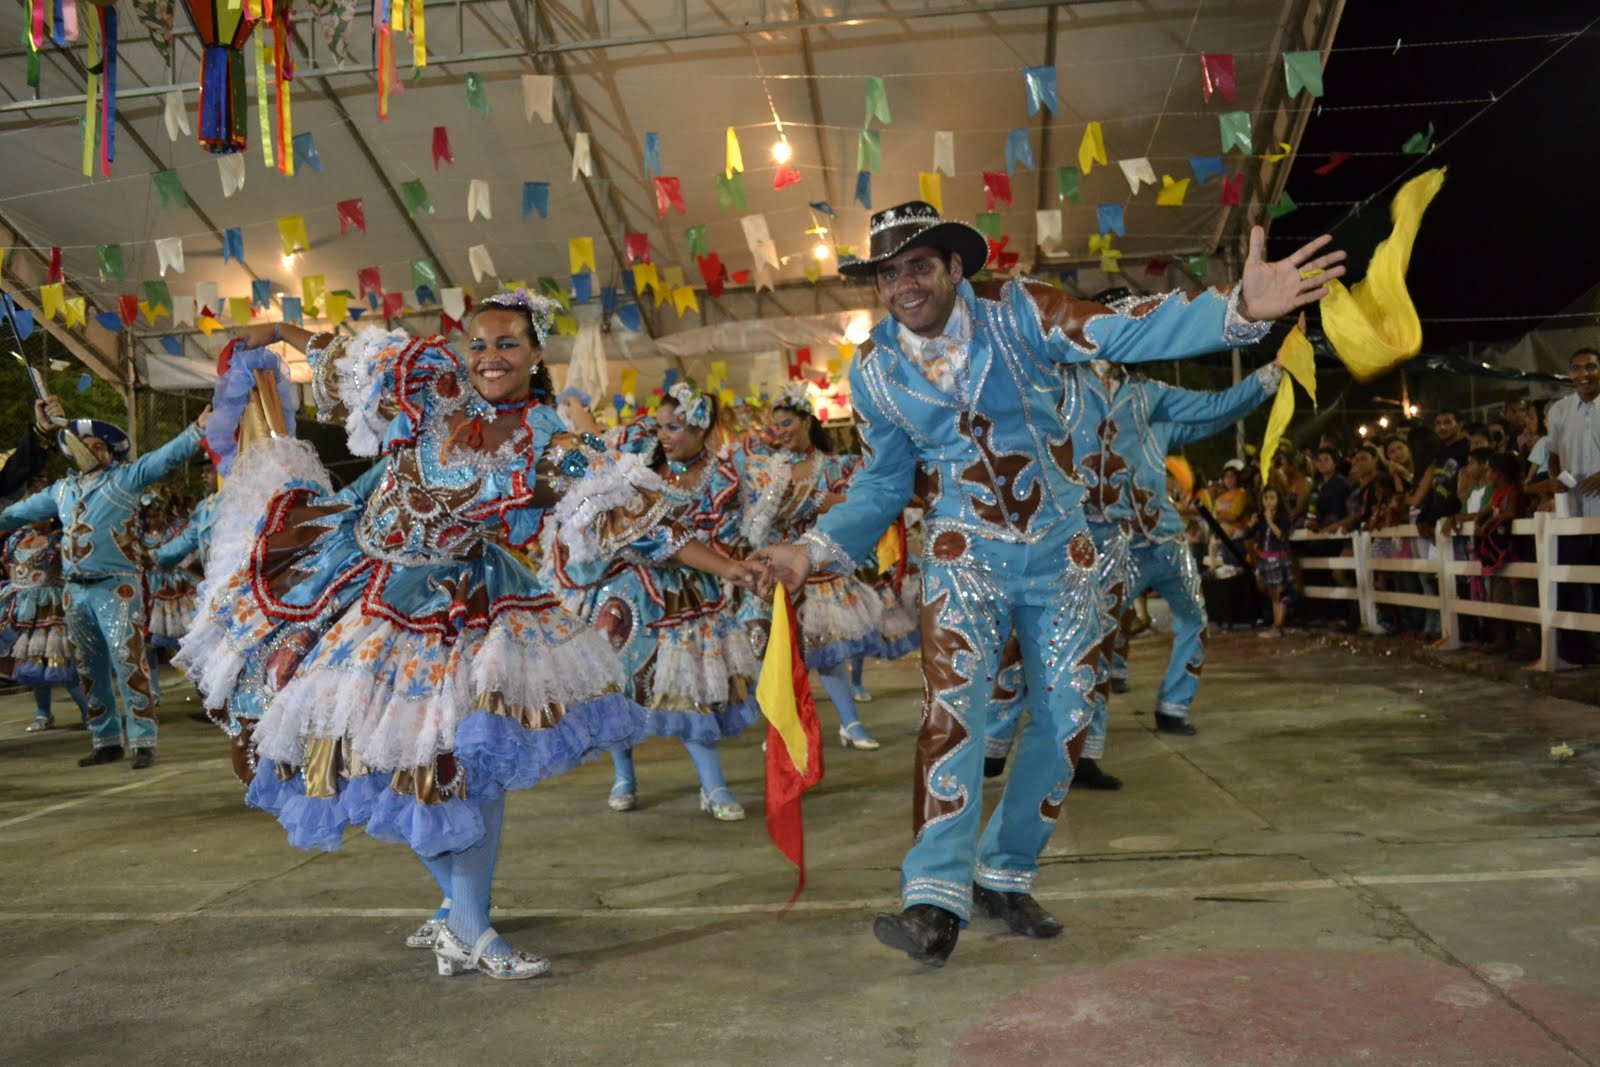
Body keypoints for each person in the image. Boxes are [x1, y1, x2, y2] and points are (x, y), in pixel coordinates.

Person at [748, 200, 1343, 966]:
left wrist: (1234, 312)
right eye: (889, 274)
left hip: (1064, 558)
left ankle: (1005, 872)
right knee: (952, 719)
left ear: (956, 268)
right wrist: (812, 548)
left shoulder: (1019, 312)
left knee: (1066, 719)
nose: (904, 286)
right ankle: (932, 897)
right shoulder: (875, 374)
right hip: (963, 561)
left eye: (919, 267)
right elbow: (881, 483)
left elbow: (1118, 329)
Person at [191, 296, 741, 980]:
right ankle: (458, 910)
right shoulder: (430, 387)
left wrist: (734, 566)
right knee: (372, 761)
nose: (490, 357)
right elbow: (346, 355)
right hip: (356, 574)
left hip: (462, 605)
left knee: (473, 763)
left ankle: (472, 926)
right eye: (478, 343)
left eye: (508, 344)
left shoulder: (549, 442)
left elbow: (636, 517)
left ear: (536, 354)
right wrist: (278, 331)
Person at [552, 381, 761, 820]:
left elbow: (716, 535)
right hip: (622, 590)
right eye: (662, 425)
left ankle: (713, 786)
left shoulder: (721, 477)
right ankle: (623, 774)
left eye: (678, 427)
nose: (666, 435)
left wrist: (728, 566)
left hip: (683, 590)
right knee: (616, 685)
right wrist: (574, 405)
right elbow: (599, 444)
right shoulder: (642, 455)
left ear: (704, 430)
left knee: (690, 691)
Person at [0, 399, 210, 769]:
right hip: (75, 589)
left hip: (117, 587)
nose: (92, 449)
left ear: (112, 453)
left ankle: (143, 740)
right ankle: (106, 739)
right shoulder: (60, 492)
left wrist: (198, 429)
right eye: (87, 444)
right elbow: (16, 513)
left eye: (100, 445)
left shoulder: (125, 480)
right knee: (88, 666)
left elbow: (165, 457)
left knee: (129, 660)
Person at [738, 384, 886, 750]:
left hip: (815, 567)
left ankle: (850, 723)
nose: (781, 431)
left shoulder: (833, 464)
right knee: (770, 652)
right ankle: (781, 728)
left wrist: (810, 500)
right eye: (776, 426)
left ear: (807, 420)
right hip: (773, 569)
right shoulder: (766, 466)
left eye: (787, 422)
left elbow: (850, 505)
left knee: (826, 650)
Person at [0, 516, 92, 731]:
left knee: (62, 664)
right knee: (32, 664)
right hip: (21, 609)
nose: (36, 516)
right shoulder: (15, 539)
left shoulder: (60, 539)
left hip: (52, 608)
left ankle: (89, 712)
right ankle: (43, 713)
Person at [1545, 346, 1600, 666]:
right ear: (1570, 375)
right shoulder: (1560, 410)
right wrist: (1556, 483)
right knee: (1573, 581)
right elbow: (1552, 455)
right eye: (1577, 369)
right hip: (1574, 512)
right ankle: (1576, 652)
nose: (1584, 374)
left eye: (1591, 367)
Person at [1255, 484, 1296, 638]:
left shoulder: (1282, 517)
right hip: (1265, 557)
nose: (1268, 501)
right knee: (1272, 593)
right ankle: (1276, 625)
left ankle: (1278, 626)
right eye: (1266, 498)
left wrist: (1270, 521)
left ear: (1278, 500)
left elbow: (1282, 536)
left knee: (1279, 592)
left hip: (1278, 557)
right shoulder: (1261, 517)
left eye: (1272, 498)